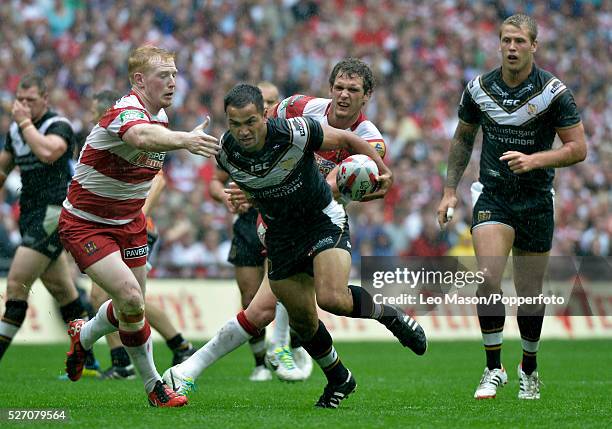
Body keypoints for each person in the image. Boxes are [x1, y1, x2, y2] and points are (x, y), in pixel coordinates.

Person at [164, 83, 418, 410]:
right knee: (303, 322)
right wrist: (246, 197)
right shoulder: (226, 152)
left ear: (265, 117)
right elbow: (256, 186)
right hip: (280, 233)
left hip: (320, 218)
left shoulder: (295, 131)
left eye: (251, 122)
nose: (243, 131)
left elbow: (346, 139)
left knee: (331, 299)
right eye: (235, 124)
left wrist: (383, 171)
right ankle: (339, 377)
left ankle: (391, 317)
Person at [58, 45, 220, 407]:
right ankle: (154, 387)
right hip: (86, 223)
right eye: (164, 75)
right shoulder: (125, 111)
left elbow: (150, 162)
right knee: (130, 298)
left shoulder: (159, 116)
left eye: (176, 74)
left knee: (134, 307)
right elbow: (139, 138)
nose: (173, 82)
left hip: (129, 222)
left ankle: (83, 336)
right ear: (139, 80)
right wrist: (186, 140)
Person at [437, 14, 587, 400]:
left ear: (534, 46)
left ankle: (530, 367)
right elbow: (462, 138)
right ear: (499, 44)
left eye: (520, 41)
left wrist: (536, 160)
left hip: (536, 200)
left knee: (530, 292)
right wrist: (450, 190)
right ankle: (492, 368)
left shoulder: (554, 93)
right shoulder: (479, 88)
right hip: (494, 195)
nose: (512, 48)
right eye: (506, 40)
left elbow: (578, 149)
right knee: (487, 276)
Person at [85, 90, 195, 380]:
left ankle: (123, 362)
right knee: (128, 297)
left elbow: (158, 179)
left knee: (105, 295)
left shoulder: (139, 131)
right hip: (120, 225)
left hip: (135, 227)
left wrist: (133, 216)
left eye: (96, 114)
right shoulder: (110, 141)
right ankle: (178, 345)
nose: (95, 121)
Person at [0, 75, 99, 373]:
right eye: (21, 99)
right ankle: (90, 361)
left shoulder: (59, 125)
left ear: (45, 99)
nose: (24, 106)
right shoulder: (17, 131)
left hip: (56, 211)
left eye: (31, 100)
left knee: (16, 284)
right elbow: (3, 168)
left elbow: (47, 152)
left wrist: (25, 123)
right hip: (31, 213)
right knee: (63, 291)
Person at [209, 81, 304, 382]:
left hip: (278, 221)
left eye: (274, 102)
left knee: (278, 290)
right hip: (247, 224)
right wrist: (225, 196)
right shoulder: (237, 144)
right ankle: (261, 361)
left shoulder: (288, 139)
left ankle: (286, 347)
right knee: (250, 297)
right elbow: (216, 182)